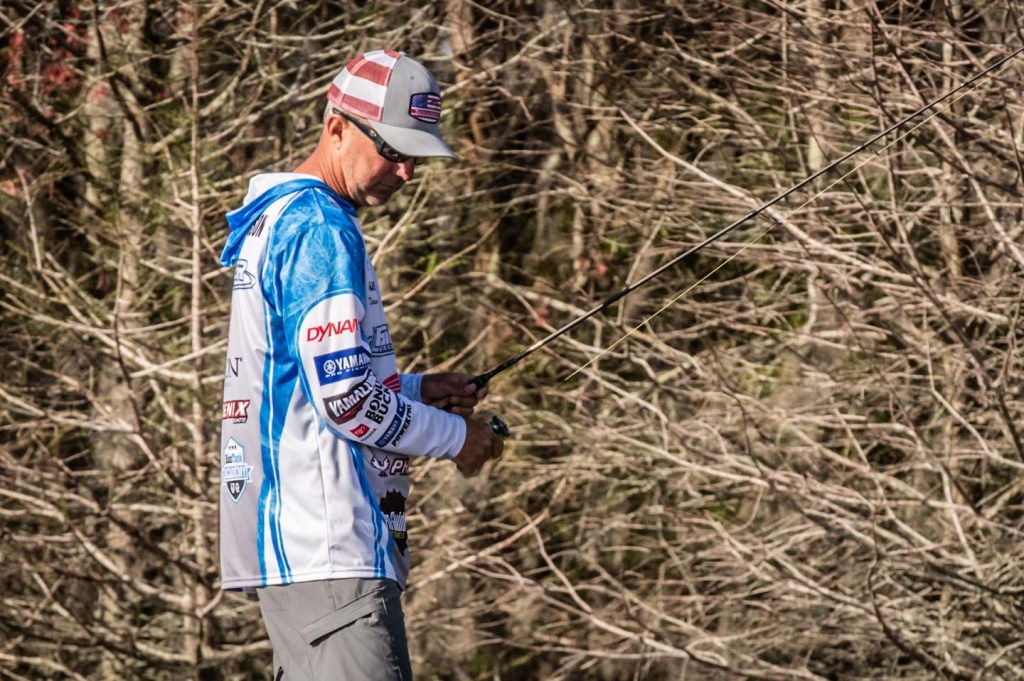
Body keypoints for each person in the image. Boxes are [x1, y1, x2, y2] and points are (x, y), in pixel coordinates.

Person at [217, 50, 504, 681]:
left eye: (416, 157)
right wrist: (458, 437)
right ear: (337, 127)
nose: (405, 171)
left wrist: (418, 390)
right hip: (332, 557)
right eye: (393, 150)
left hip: (301, 561)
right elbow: (347, 400)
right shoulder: (320, 228)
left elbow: (304, 386)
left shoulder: (279, 219)